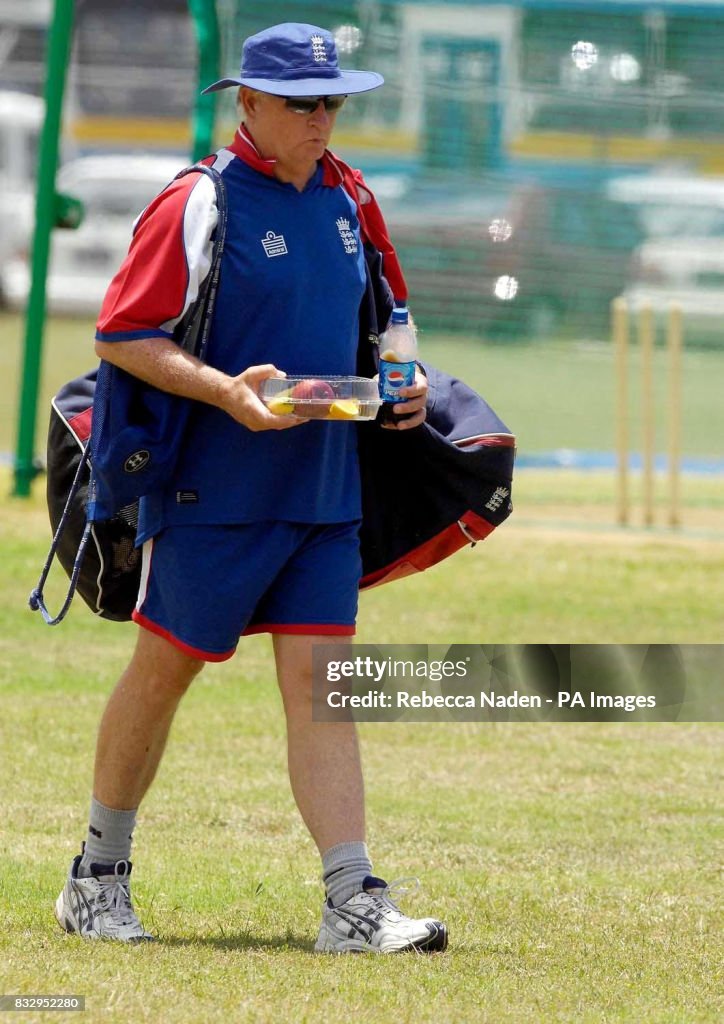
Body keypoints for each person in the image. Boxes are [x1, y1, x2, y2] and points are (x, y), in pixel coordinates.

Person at [55, 23, 448, 954]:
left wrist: (408, 383)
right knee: (163, 676)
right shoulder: (199, 201)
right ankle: (96, 876)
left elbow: (387, 328)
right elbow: (123, 335)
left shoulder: (352, 197)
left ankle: (351, 901)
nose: (323, 120)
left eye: (334, 103)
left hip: (324, 492)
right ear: (250, 106)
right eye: (304, 104)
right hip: (209, 495)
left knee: (323, 690)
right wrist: (228, 393)